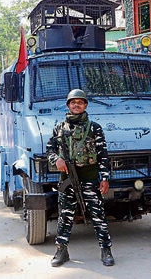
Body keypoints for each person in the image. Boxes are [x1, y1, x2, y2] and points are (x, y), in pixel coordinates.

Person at [46, 89, 115, 267]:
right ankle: (61, 250)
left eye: (80, 102)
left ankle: (106, 249)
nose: (76, 105)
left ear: (85, 105)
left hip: (89, 177)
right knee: (65, 216)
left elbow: (103, 155)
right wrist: (57, 159)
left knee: (98, 215)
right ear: (68, 105)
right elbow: (50, 150)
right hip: (67, 178)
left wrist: (105, 178)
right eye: (73, 102)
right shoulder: (59, 128)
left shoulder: (94, 128)